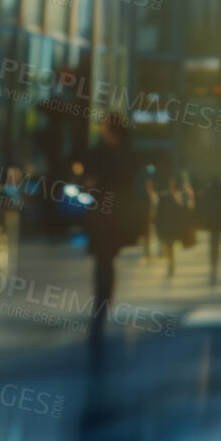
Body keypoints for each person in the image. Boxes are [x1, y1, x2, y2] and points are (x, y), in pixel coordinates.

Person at [80, 118, 143, 337]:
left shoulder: (103, 153)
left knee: (103, 261)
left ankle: (100, 305)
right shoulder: (126, 154)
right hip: (115, 215)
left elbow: (90, 179)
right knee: (106, 260)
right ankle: (103, 304)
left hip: (103, 216)